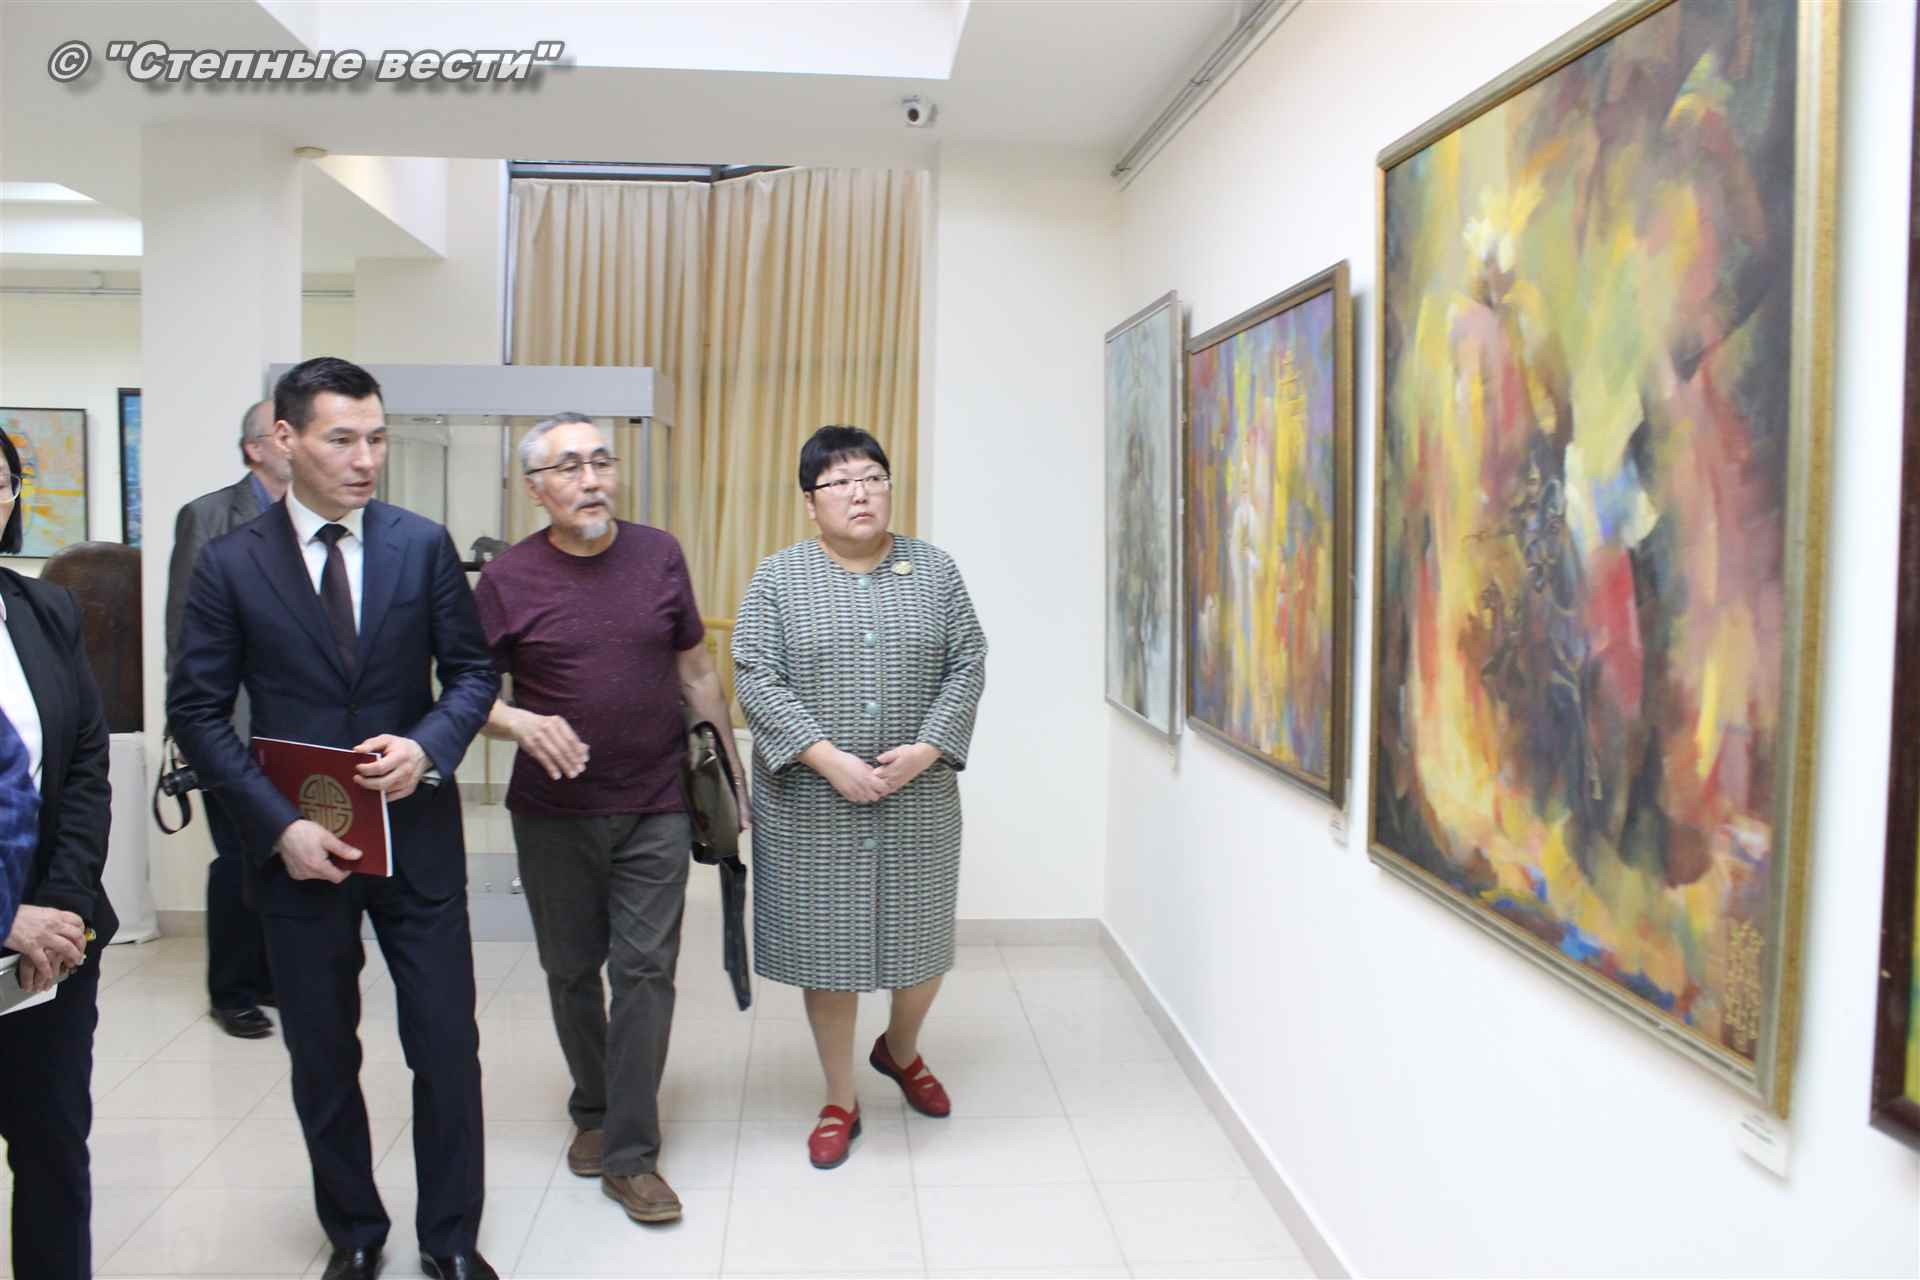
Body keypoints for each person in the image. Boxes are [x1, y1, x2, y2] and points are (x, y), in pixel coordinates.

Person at [167, 357, 502, 1280]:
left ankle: (451, 1238)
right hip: (300, 849)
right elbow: (197, 710)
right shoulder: (231, 562)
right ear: (285, 439)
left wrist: (427, 746)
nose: (366, 460)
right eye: (342, 439)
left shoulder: (421, 545)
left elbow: (473, 674)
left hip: (416, 838)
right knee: (322, 1051)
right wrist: (278, 826)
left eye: (377, 439)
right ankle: (354, 1229)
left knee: (445, 1044)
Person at [473, 412, 744, 1225]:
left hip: (656, 801)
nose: (591, 480)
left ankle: (630, 1152)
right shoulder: (507, 580)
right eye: (569, 467)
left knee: (645, 972)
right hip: (553, 813)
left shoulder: (659, 555)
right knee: (569, 971)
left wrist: (730, 778)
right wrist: (518, 722)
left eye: (601, 461)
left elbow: (696, 671)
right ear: (535, 489)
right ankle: (593, 1104)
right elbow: (465, 694)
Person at [732, 425, 987, 1169]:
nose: (860, 493)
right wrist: (825, 757)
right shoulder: (778, 578)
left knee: (923, 946)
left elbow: (968, 662)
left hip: (918, 797)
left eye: (873, 477)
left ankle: (899, 1049)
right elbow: (755, 675)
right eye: (840, 482)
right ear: (811, 502)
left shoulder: (934, 570)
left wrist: (928, 748)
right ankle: (840, 1097)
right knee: (827, 952)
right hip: (812, 803)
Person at [0, 429, 116, 1278]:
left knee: (51, 1154)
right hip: (14, 923)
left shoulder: (43, 609)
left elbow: (84, 766)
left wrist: (64, 905)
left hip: (50, 950)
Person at [164, 398, 285, 1039]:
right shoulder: (209, 517)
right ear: (254, 448)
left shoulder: (312, 517)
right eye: (280, 431)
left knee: (280, 854)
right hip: (225, 727)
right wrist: (189, 728)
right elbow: (183, 632)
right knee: (238, 858)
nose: (294, 441)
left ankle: (267, 976)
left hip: (295, 730)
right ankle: (231, 992)